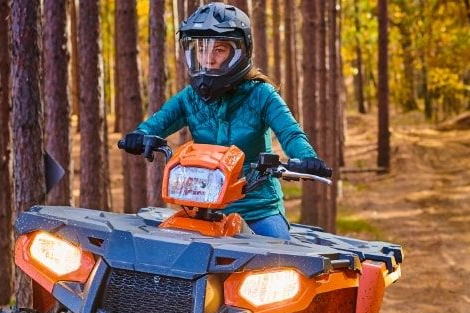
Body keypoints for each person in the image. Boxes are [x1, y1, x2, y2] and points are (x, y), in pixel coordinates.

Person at [118, 2, 329, 239]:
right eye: (201, 50)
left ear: (239, 51)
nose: (208, 58)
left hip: (257, 209)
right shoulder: (191, 97)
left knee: (279, 257)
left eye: (219, 50)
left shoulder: (261, 95)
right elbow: (157, 122)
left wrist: (307, 158)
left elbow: (291, 133)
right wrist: (140, 136)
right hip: (203, 208)